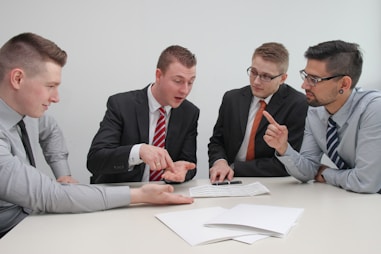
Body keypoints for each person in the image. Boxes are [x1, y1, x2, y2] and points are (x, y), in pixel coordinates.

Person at [0, 32, 193, 238]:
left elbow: (50, 131)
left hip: (32, 218)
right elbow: (50, 195)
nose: (56, 98)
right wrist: (138, 195)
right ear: (18, 78)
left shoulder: (28, 113)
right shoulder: (121, 104)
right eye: (50, 86)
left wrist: (62, 173)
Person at [263, 40, 381, 194]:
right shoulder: (316, 111)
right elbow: (308, 172)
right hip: (357, 199)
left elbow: (365, 182)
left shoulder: (373, 109)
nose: (304, 85)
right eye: (305, 76)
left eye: (314, 79)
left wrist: (326, 173)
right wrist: (284, 148)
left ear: (344, 84)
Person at [87, 45, 199, 184]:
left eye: (190, 82)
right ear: (159, 75)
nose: (185, 90)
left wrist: (183, 171)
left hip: (163, 194)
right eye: (178, 81)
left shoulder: (189, 113)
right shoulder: (122, 105)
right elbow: (95, 159)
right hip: (122, 195)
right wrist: (138, 152)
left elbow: (189, 164)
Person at [208, 42, 308, 183]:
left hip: (274, 184)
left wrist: (234, 167)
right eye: (253, 72)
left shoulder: (298, 104)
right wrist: (220, 162)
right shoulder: (232, 98)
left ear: (282, 79)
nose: (256, 81)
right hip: (228, 180)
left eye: (266, 76)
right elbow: (217, 142)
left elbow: (287, 163)